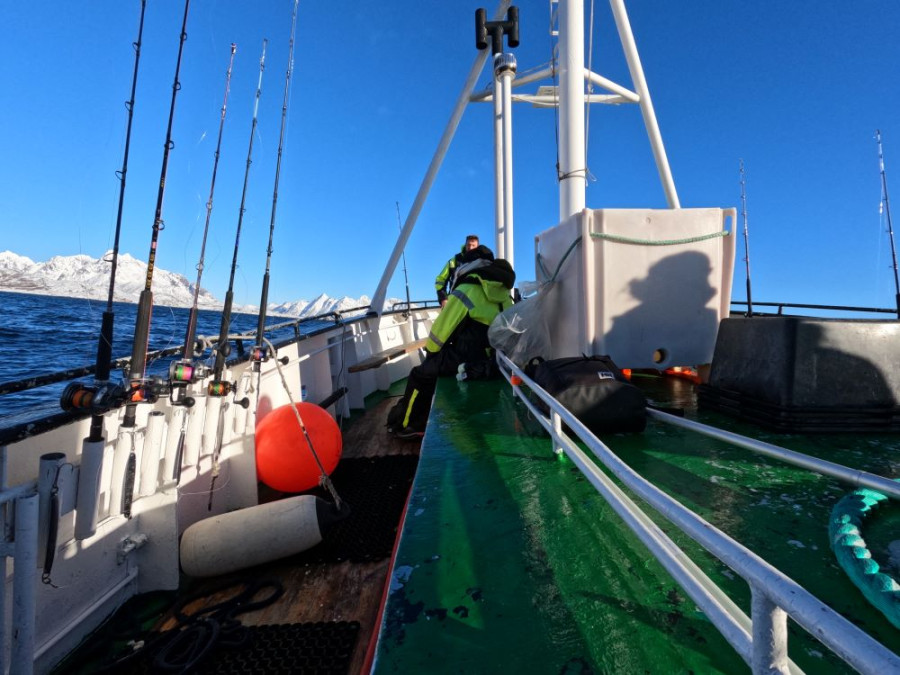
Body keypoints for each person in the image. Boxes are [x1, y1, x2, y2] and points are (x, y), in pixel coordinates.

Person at [389, 245, 515, 439]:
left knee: (419, 375)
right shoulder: (506, 296)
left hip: (466, 358)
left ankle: (409, 425)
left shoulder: (467, 290)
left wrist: (431, 355)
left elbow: (439, 334)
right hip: (494, 361)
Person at [434, 234, 480, 307]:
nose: (470, 248)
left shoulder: (482, 262)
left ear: (478, 247)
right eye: (468, 245)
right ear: (465, 245)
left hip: (477, 302)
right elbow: (440, 280)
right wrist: (443, 298)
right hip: (456, 302)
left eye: (473, 245)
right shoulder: (454, 261)